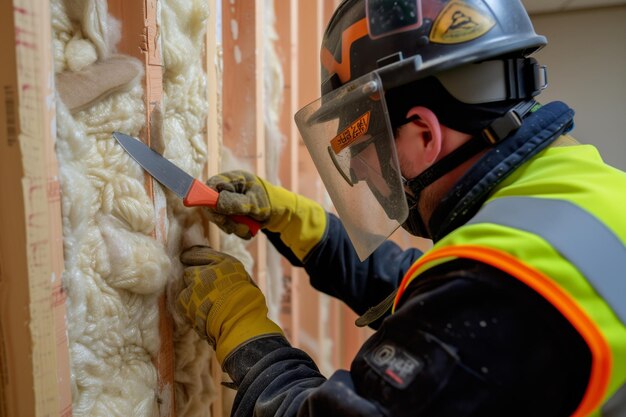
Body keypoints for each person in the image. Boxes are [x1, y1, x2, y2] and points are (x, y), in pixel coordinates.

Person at [177, 0, 626, 415]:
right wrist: (300, 222)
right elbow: (440, 294)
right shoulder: (582, 195)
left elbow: (462, 307)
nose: (358, 173)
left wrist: (242, 330)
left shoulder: (504, 287)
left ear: (424, 135)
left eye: (362, 146)